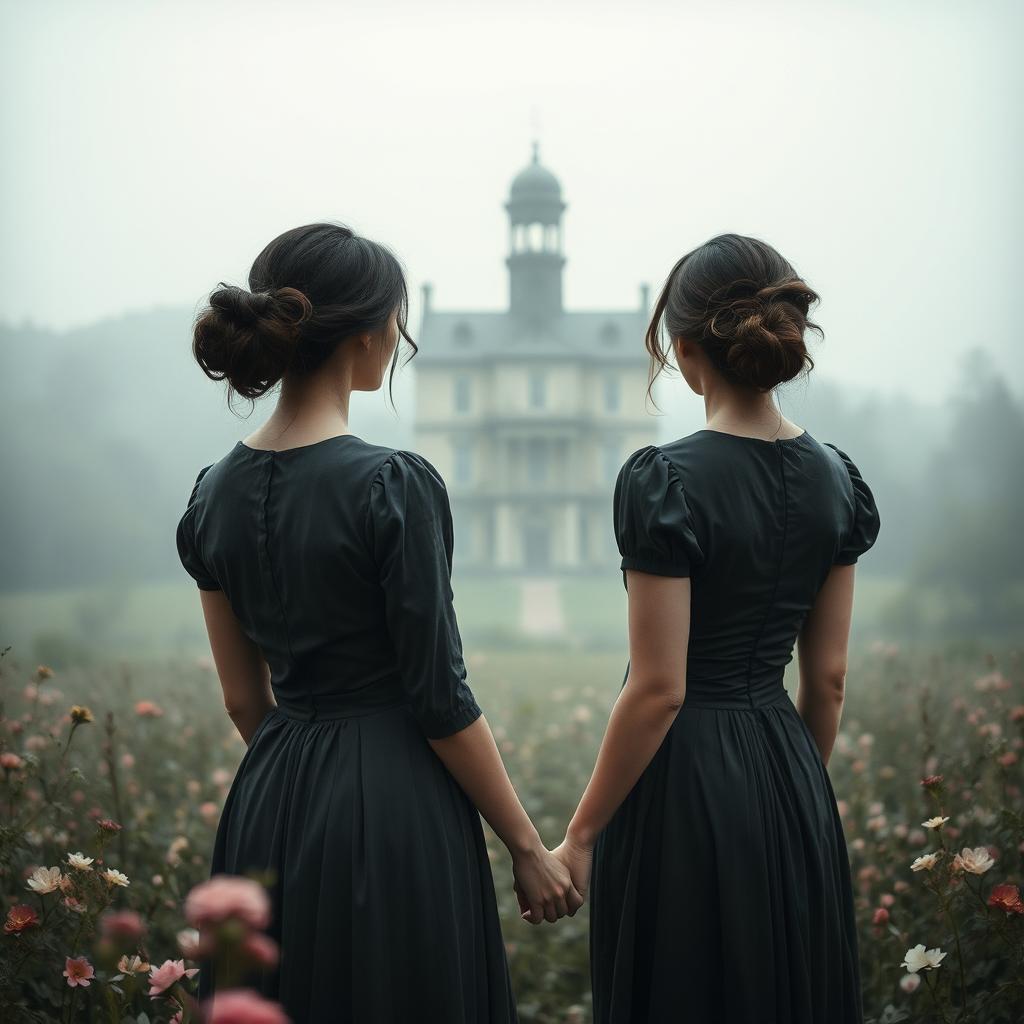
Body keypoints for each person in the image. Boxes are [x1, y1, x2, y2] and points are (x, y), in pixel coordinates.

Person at [174, 222, 582, 1023]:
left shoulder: (209, 495)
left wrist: (306, 777)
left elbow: (242, 702)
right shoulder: (390, 486)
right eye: (396, 320)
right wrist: (528, 849)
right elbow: (440, 698)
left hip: (271, 798)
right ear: (367, 332)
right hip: (394, 802)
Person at [552, 233, 881, 1023]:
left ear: (686, 348)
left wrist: (581, 837)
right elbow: (827, 681)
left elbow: (660, 688)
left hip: (681, 781)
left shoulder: (665, 481)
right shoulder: (840, 481)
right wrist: (789, 786)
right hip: (790, 769)